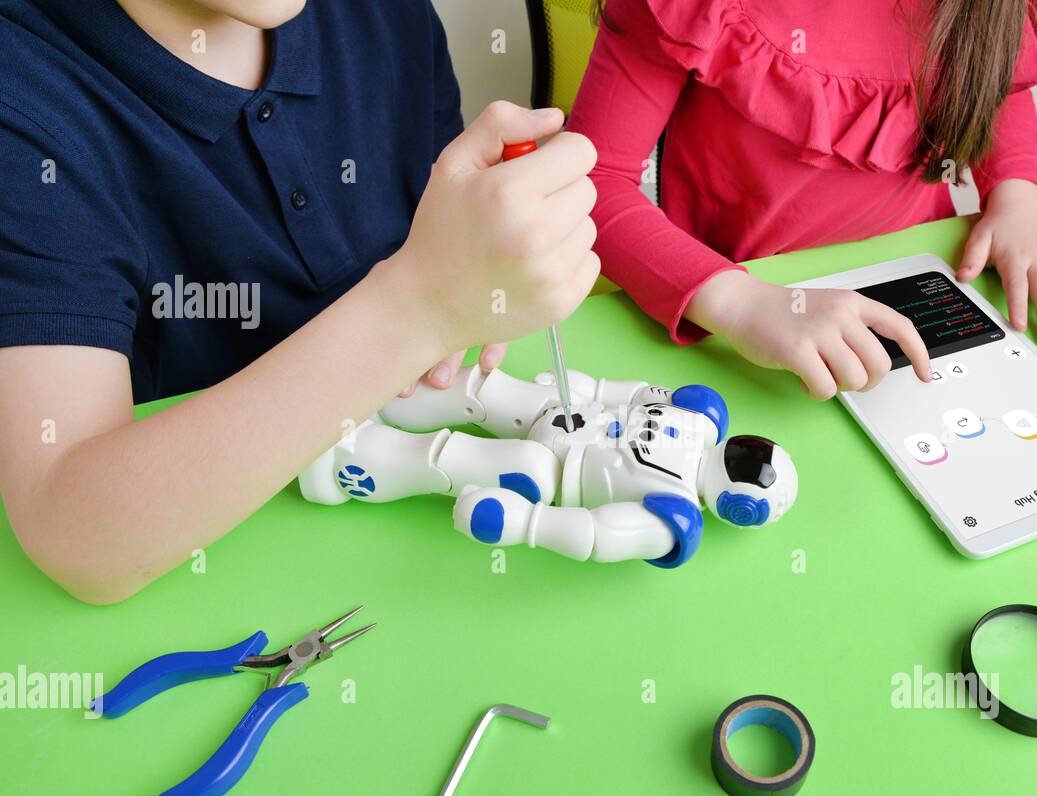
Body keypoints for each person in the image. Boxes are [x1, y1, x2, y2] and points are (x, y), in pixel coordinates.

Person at [0, 0, 599, 603]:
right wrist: (424, 305)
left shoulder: (388, 17)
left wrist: (476, 268)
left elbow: (443, 222)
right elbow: (74, 533)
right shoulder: (26, 105)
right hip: (203, 579)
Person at [568, 0, 1037, 400]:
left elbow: (1000, 75)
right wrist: (741, 306)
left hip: (920, 289)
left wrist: (1016, 199)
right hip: (732, 312)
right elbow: (594, 182)